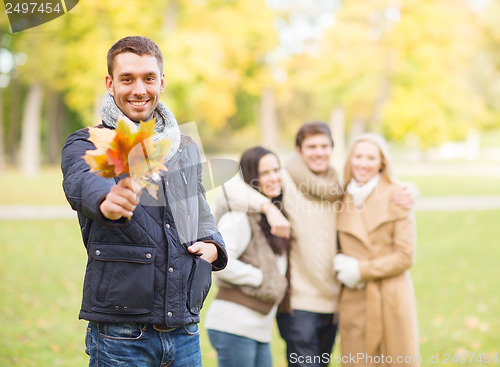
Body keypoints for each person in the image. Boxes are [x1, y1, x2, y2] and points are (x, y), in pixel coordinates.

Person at [61, 36, 227, 367]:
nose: (139, 89)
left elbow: (201, 214)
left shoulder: (185, 146)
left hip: (185, 331)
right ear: (110, 83)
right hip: (121, 337)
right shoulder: (90, 141)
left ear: (161, 81)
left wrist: (213, 245)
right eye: (127, 79)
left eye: (148, 78)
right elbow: (82, 181)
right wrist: (107, 200)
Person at [224, 121, 416, 367]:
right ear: (298, 150)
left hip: (334, 303)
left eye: (324, 146)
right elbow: (231, 187)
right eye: (311, 146)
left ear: (332, 150)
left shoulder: (340, 187)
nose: (318, 152)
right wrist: (268, 208)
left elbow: (378, 191)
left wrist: (411, 190)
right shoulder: (287, 179)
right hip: (299, 306)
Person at [334, 133, 420, 366]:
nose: (363, 163)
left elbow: (405, 256)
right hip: (355, 297)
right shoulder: (340, 196)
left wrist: (360, 270)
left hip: (391, 297)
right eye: (358, 156)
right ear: (350, 159)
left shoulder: (399, 195)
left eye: (371, 158)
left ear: (382, 162)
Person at [204, 146, 290, 367]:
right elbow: (222, 260)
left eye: (276, 170)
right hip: (234, 326)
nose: (273, 177)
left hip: (258, 329)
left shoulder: (272, 215)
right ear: (251, 177)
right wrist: (263, 278)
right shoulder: (239, 215)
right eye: (264, 173)